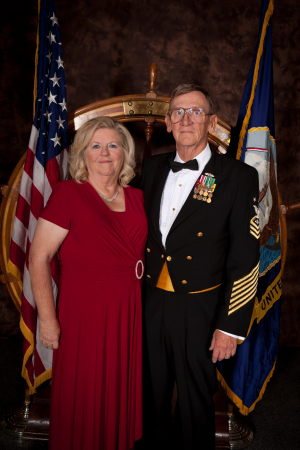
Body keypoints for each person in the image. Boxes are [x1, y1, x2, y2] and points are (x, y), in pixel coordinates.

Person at [139, 84, 260, 449]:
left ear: (210, 121)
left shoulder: (238, 177)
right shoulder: (151, 168)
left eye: (195, 111)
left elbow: (245, 257)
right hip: (150, 301)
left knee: (195, 403)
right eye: (178, 112)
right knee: (150, 393)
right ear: (168, 122)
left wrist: (230, 326)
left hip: (201, 307)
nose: (186, 118)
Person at [29, 116, 148, 450]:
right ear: (82, 154)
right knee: (84, 390)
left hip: (128, 309)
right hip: (84, 313)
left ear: (125, 153)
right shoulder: (68, 194)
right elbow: (38, 258)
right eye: (96, 146)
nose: (105, 153)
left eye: (113, 145)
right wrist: (48, 319)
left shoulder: (138, 197)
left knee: (117, 387)